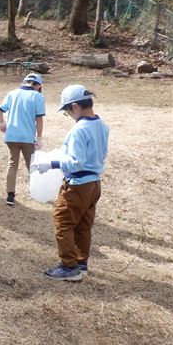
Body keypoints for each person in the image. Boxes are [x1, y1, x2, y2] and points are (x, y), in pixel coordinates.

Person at [35, 85, 109, 282]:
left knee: (63, 222)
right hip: (94, 183)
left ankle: (69, 267)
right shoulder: (101, 125)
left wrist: (50, 163)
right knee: (83, 224)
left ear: (75, 106)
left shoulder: (79, 129)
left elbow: (76, 162)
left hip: (78, 184)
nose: (69, 115)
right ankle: (81, 262)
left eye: (67, 112)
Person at [0, 73, 45, 206]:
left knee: (12, 164)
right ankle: (33, 191)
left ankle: (10, 195)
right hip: (28, 138)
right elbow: (39, 119)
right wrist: (39, 137)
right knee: (31, 165)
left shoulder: (12, 93)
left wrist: (2, 123)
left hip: (11, 136)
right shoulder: (38, 96)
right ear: (38, 85)